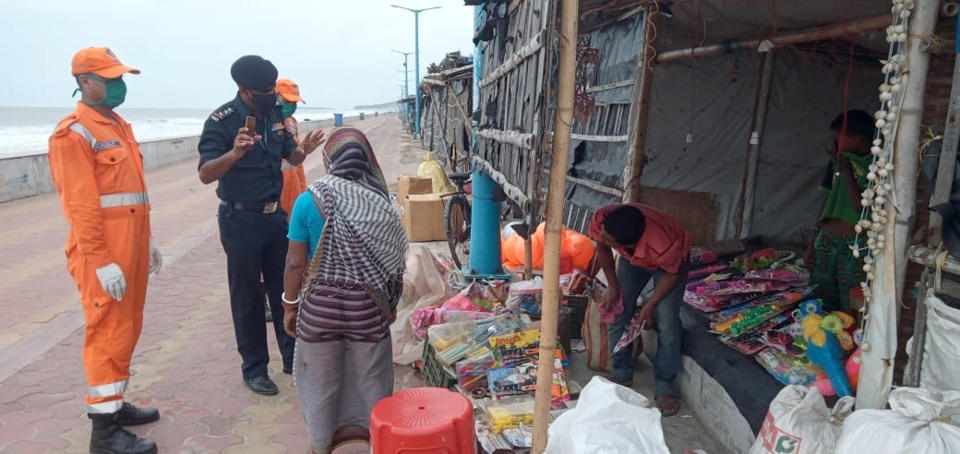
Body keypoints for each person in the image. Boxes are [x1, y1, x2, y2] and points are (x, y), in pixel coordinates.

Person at [48, 47, 162, 454]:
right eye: (110, 78)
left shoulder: (117, 125)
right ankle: (104, 432)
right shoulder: (73, 133)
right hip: (103, 256)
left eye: (120, 77)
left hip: (129, 249)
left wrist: (147, 241)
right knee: (107, 333)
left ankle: (114, 406)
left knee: (127, 329)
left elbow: (130, 195)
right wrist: (101, 262)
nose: (118, 85)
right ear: (84, 82)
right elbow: (80, 206)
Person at [197, 55, 325, 396]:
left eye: (273, 88)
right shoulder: (221, 121)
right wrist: (234, 154)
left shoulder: (272, 115)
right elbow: (205, 173)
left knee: (284, 289)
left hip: (274, 217)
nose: (272, 95)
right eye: (264, 91)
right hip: (239, 219)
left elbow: (290, 156)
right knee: (247, 296)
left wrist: (304, 151)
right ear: (244, 90)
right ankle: (254, 368)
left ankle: (291, 357)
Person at [281, 127, 408, 453]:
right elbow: (394, 265)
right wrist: (389, 305)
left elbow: (295, 264)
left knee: (320, 386)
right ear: (367, 160)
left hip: (319, 312)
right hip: (367, 311)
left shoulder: (309, 200)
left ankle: (321, 445)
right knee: (371, 383)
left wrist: (289, 305)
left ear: (329, 160)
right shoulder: (380, 204)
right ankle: (375, 442)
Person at [589, 203, 690, 416]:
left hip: (670, 266)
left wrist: (650, 304)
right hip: (632, 259)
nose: (603, 238)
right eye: (604, 235)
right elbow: (603, 248)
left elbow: (673, 274)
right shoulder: (603, 219)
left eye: (610, 240)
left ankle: (665, 385)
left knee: (666, 318)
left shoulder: (664, 245)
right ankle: (622, 371)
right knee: (619, 306)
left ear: (630, 243)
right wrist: (613, 286)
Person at [806, 110, 874, 313]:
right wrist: (811, 242)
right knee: (819, 300)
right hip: (826, 241)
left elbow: (860, 207)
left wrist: (847, 167)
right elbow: (826, 201)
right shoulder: (835, 164)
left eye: (839, 137)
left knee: (850, 303)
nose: (834, 142)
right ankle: (819, 341)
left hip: (854, 246)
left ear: (858, 138)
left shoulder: (875, 165)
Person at [277, 78, 308, 220]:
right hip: (275, 189)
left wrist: (302, 188)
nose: (291, 106)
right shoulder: (264, 124)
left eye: (294, 102)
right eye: (287, 101)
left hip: (293, 185)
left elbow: (298, 163)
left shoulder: (291, 123)